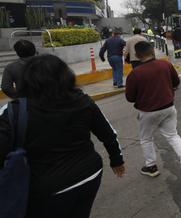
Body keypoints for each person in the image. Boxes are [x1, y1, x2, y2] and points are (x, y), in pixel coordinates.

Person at [0, 54, 125, 217]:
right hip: (89, 174)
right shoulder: (83, 100)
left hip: (47, 188)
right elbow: (108, 133)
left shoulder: (13, 111)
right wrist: (116, 160)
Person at [125, 41, 181, 185]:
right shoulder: (166, 65)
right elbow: (176, 84)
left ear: (137, 55)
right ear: (153, 51)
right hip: (168, 107)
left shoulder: (135, 73)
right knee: (172, 135)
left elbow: (130, 98)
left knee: (146, 138)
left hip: (148, 111)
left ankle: (151, 167)